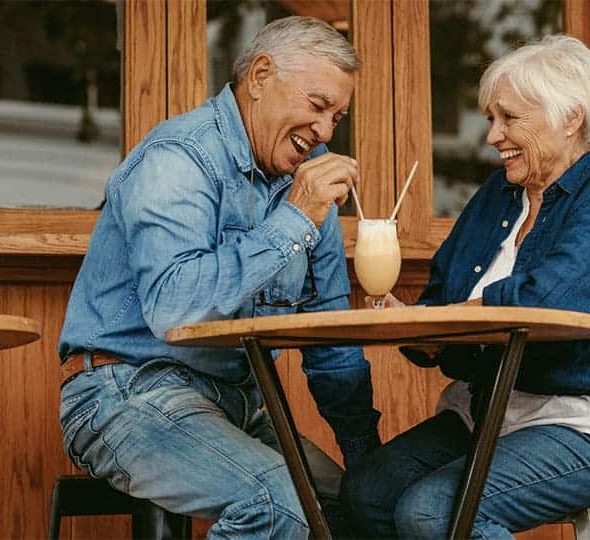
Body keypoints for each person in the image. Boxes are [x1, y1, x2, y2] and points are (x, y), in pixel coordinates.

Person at [57, 16, 380, 539]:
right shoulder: (180, 158)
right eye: (317, 106)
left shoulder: (308, 176)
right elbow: (175, 308)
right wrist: (294, 220)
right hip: (124, 392)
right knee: (278, 506)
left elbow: (329, 335)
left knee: (365, 516)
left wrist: (367, 460)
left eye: (336, 117)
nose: (324, 131)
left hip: (237, 402)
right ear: (259, 76)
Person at [340, 34, 590, 539]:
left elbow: (547, 301)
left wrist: (455, 318)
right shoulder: (498, 195)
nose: (492, 135)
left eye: (508, 118)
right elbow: (441, 297)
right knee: (367, 493)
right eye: (492, 118)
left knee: (431, 512)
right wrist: (422, 329)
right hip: (487, 414)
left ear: (570, 117)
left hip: (588, 424)